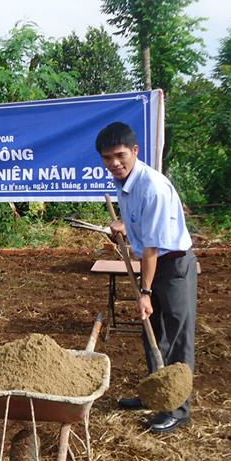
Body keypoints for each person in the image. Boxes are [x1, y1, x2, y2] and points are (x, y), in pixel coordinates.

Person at [96, 122, 197, 434]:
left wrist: (145, 292)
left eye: (120, 155)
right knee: (152, 333)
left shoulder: (151, 185)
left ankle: (178, 409)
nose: (114, 163)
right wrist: (122, 229)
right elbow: (139, 226)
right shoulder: (124, 183)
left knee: (176, 337)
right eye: (107, 158)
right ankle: (156, 395)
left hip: (173, 266)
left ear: (135, 151)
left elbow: (152, 248)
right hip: (154, 263)